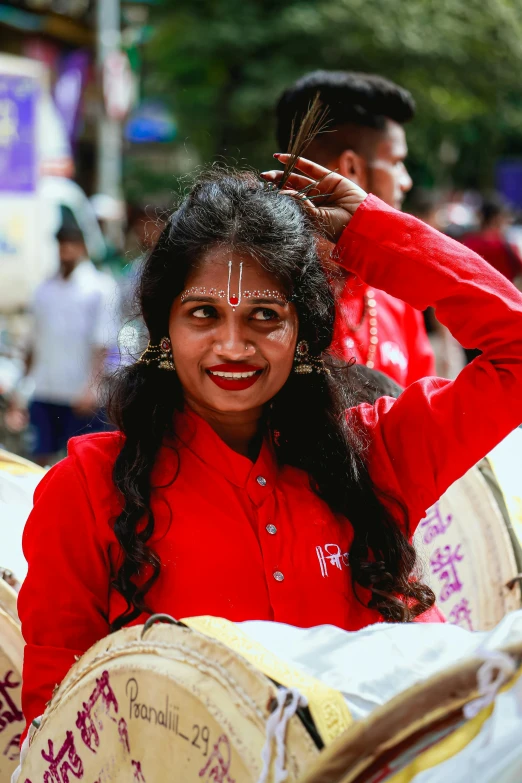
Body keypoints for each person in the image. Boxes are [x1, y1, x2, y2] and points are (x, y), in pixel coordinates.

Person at [18, 157, 522, 739]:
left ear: (302, 334)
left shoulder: (377, 453)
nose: (233, 345)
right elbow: (59, 729)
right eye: (204, 314)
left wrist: (374, 235)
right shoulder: (87, 489)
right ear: (163, 330)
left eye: (265, 316)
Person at [276, 71, 435, 385]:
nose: (405, 181)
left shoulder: (397, 297)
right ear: (351, 169)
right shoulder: (262, 293)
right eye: (395, 162)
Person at [21, 221, 118, 466]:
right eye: (62, 245)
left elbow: (103, 342)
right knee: (39, 460)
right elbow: (34, 339)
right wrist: (23, 385)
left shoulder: (99, 288)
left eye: (71, 245)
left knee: (80, 463)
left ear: (83, 247)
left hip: (79, 394)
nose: (66, 251)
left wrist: (91, 388)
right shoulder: (45, 288)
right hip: (44, 388)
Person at [461, 195, 522, 286]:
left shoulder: (468, 243)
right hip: (502, 297)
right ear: (496, 218)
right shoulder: (506, 246)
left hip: (475, 296)